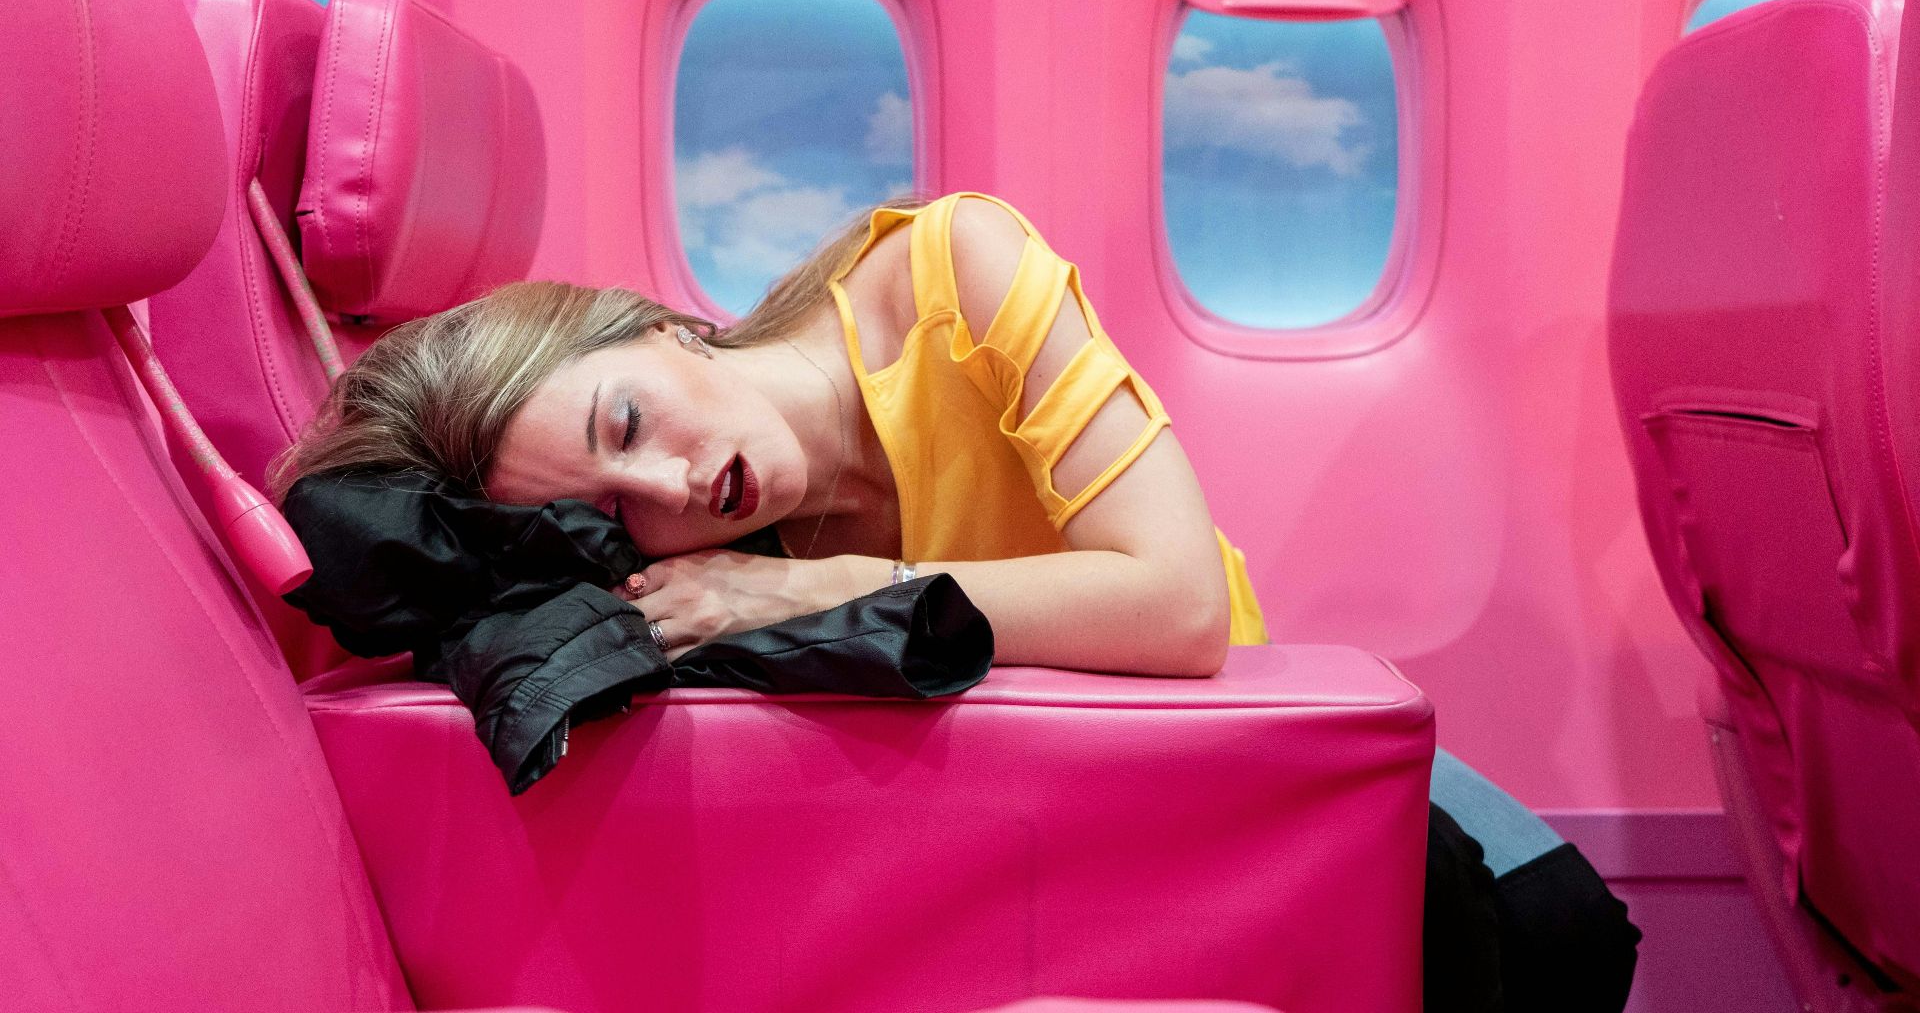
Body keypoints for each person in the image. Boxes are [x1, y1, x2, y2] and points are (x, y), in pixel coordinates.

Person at [270, 190, 1637, 1010]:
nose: (680, 487)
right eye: (616, 508)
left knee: (1561, 927)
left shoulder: (956, 271)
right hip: (1050, 828)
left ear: (662, 327)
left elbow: (1173, 612)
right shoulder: (682, 568)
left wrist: (847, 586)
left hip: (1226, 758)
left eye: (633, 418)